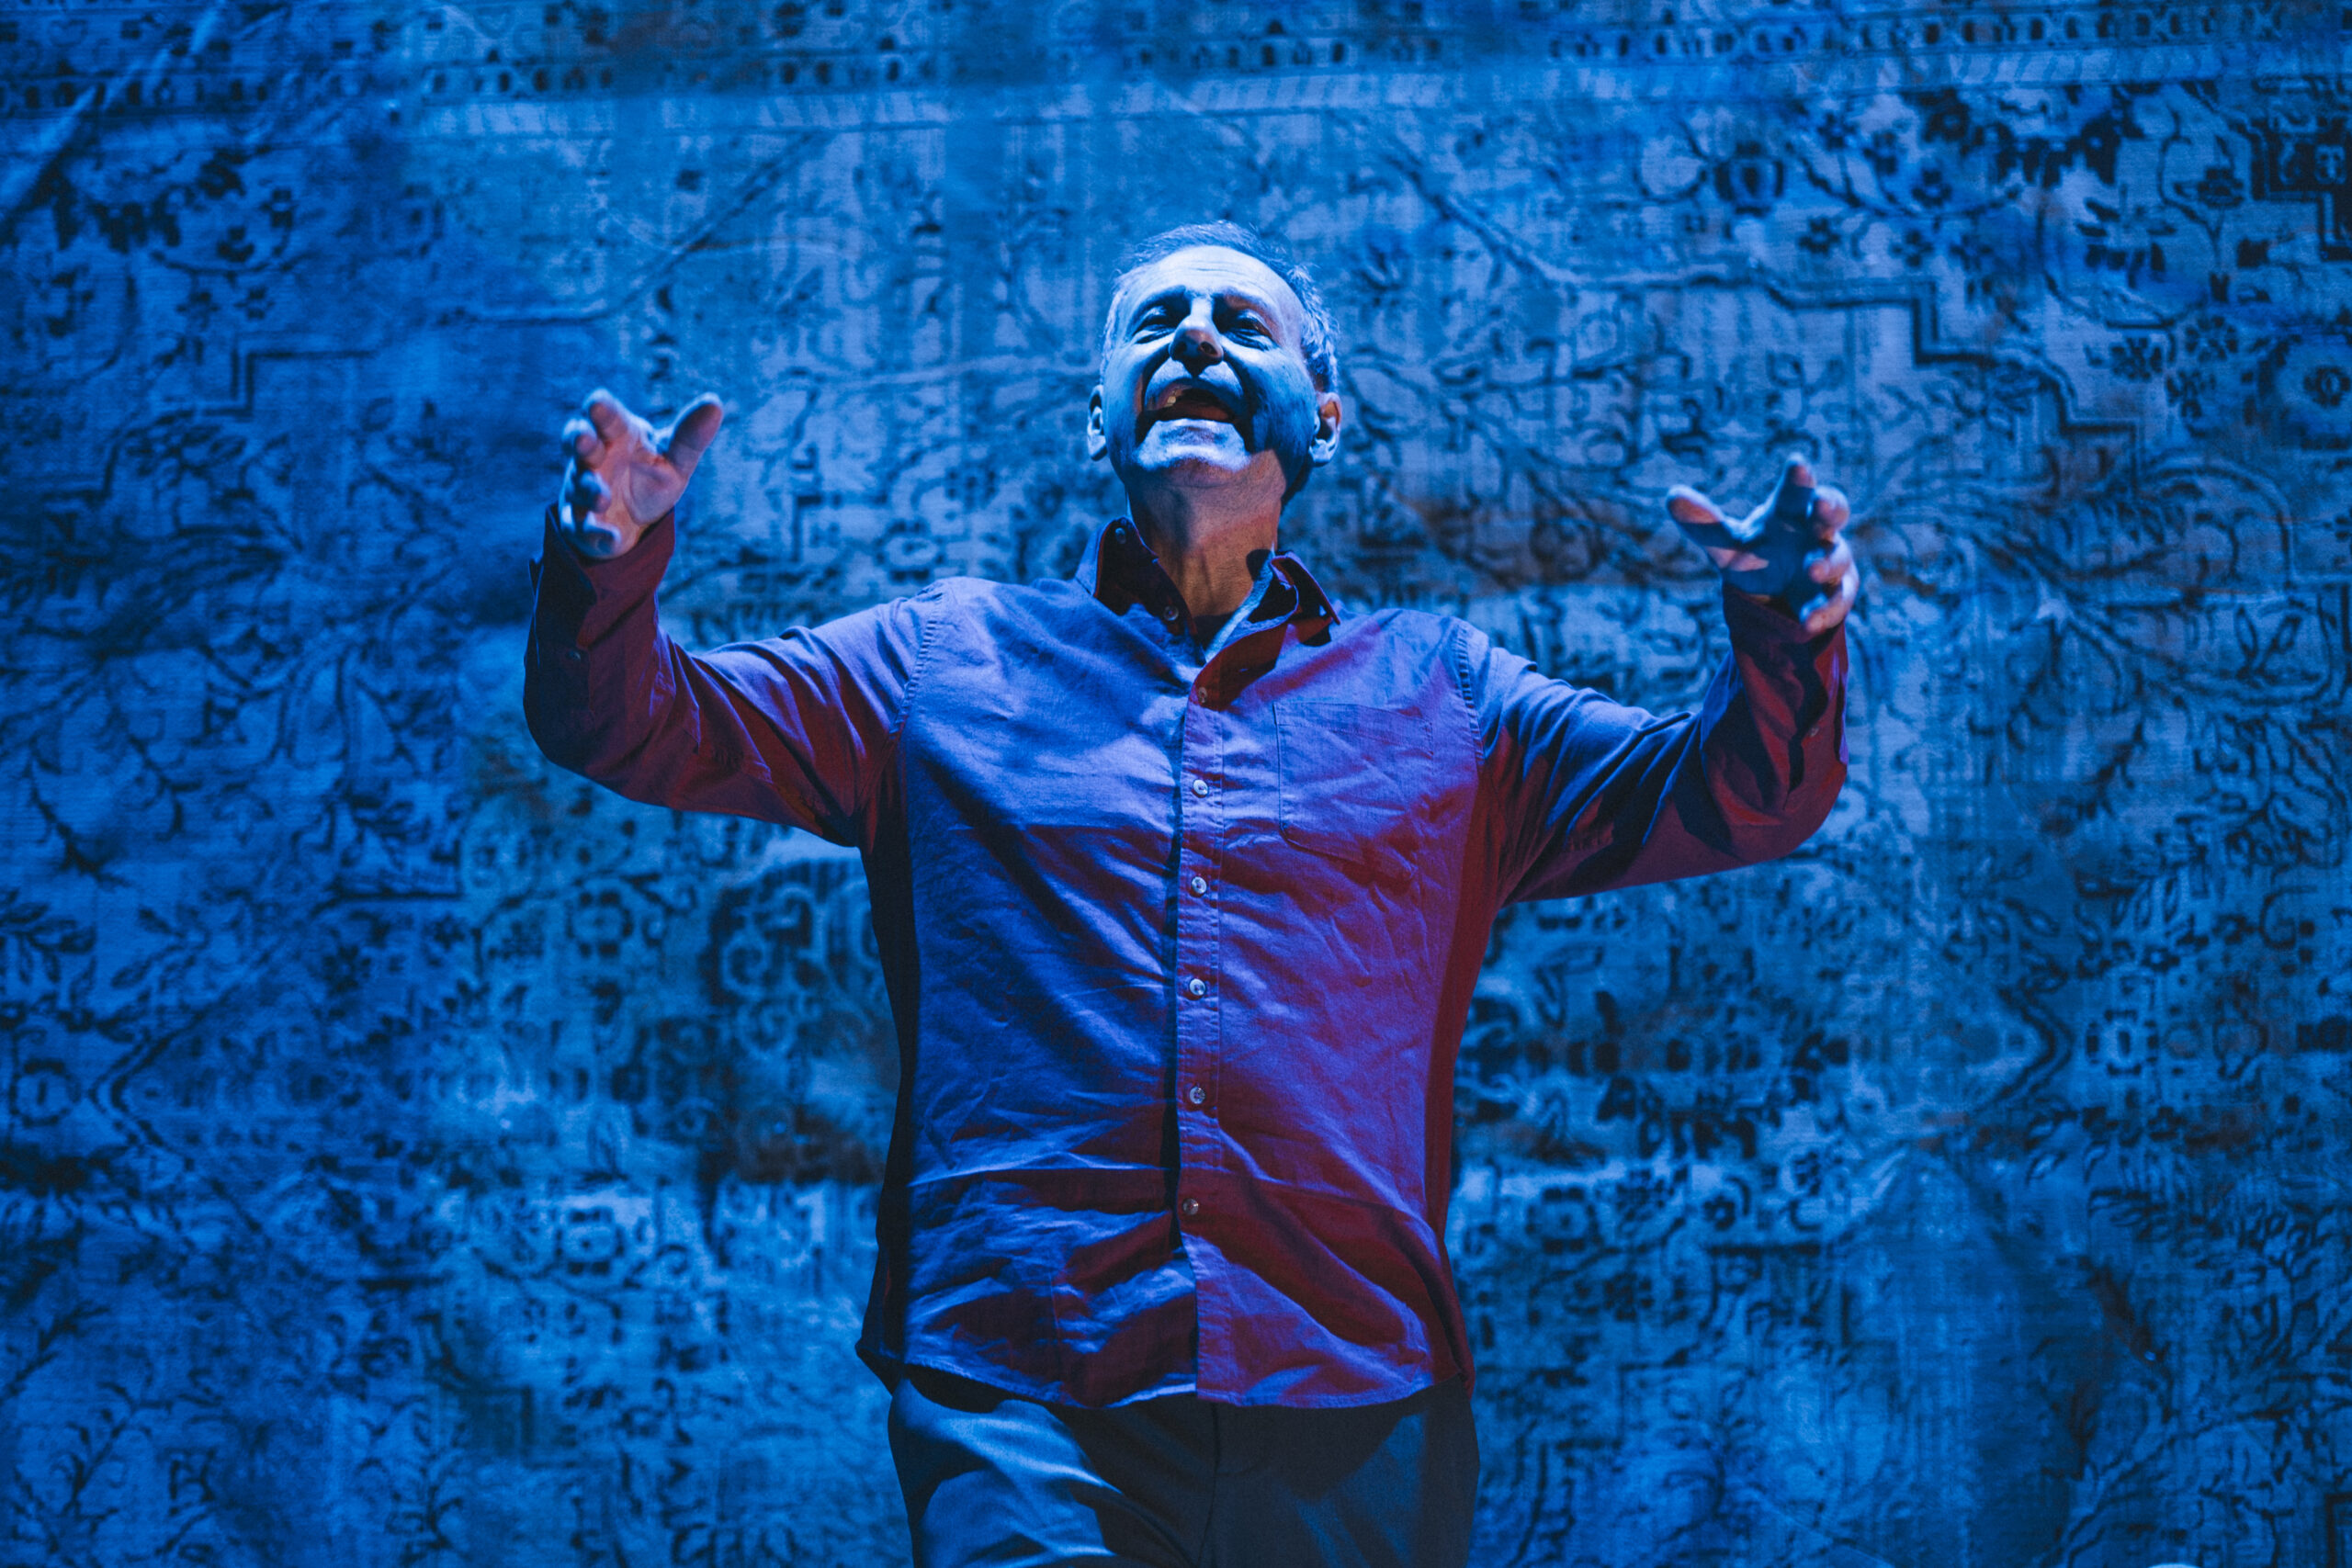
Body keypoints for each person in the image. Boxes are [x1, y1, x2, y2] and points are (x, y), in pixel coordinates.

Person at [526, 221, 1858, 1568]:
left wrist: (1783, 637)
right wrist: (609, 566)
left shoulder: (1446, 695)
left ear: (1324, 416)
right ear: (1098, 417)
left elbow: (1736, 794)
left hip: (1355, 1389)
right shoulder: (938, 663)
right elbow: (636, 723)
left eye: (1243, 323)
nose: (1199, 339)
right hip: (1023, 1387)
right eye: (1157, 325)